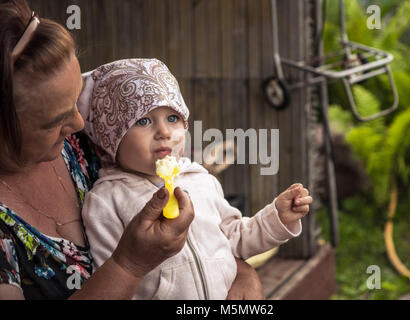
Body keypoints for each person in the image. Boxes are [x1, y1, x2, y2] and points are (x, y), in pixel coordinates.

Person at [0, 0, 265, 300]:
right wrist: (129, 265)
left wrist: (243, 275)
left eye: (76, 101)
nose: (78, 121)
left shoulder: (92, 140)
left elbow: (207, 245)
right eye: (55, 121)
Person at [78, 58, 313, 299]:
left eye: (172, 118)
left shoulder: (201, 180)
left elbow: (234, 239)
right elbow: (114, 282)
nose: (164, 132)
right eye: (143, 121)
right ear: (111, 136)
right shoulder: (106, 201)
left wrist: (276, 218)